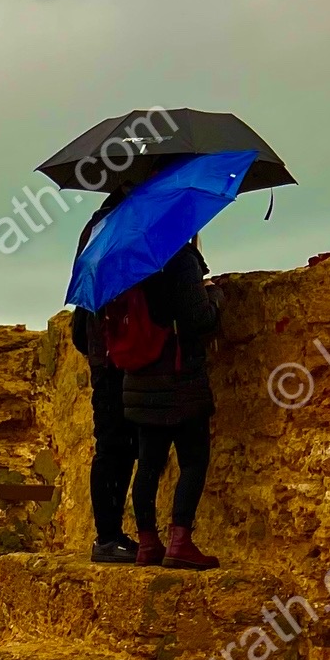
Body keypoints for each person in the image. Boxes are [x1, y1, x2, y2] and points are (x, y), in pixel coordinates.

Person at [121, 236, 224, 570]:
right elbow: (200, 320)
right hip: (180, 379)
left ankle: (148, 542)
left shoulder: (128, 257)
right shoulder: (179, 257)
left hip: (139, 379)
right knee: (193, 461)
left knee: (148, 464)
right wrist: (214, 293)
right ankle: (180, 542)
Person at [72, 190, 140, 565]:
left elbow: (80, 324)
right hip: (124, 354)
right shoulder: (135, 222)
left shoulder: (96, 227)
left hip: (104, 356)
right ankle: (109, 537)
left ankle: (109, 536)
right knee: (121, 448)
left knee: (112, 447)